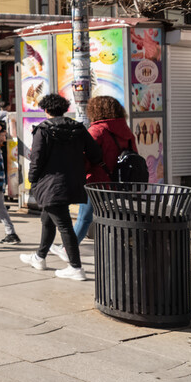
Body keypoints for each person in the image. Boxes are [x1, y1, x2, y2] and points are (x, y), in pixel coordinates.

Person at [20, 94, 104, 281]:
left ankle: (76, 267)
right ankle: (40, 257)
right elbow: (96, 154)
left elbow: (37, 158)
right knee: (47, 219)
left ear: (46, 110)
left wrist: (32, 180)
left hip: (50, 183)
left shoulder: (43, 130)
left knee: (64, 225)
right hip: (73, 181)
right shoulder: (78, 128)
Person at [53, 95, 134, 259]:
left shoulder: (96, 130)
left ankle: (69, 248)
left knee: (85, 216)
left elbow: (84, 158)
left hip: (97, 182)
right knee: (112, 218)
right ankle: (118, 252)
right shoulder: (126, 130)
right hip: (119, 182)